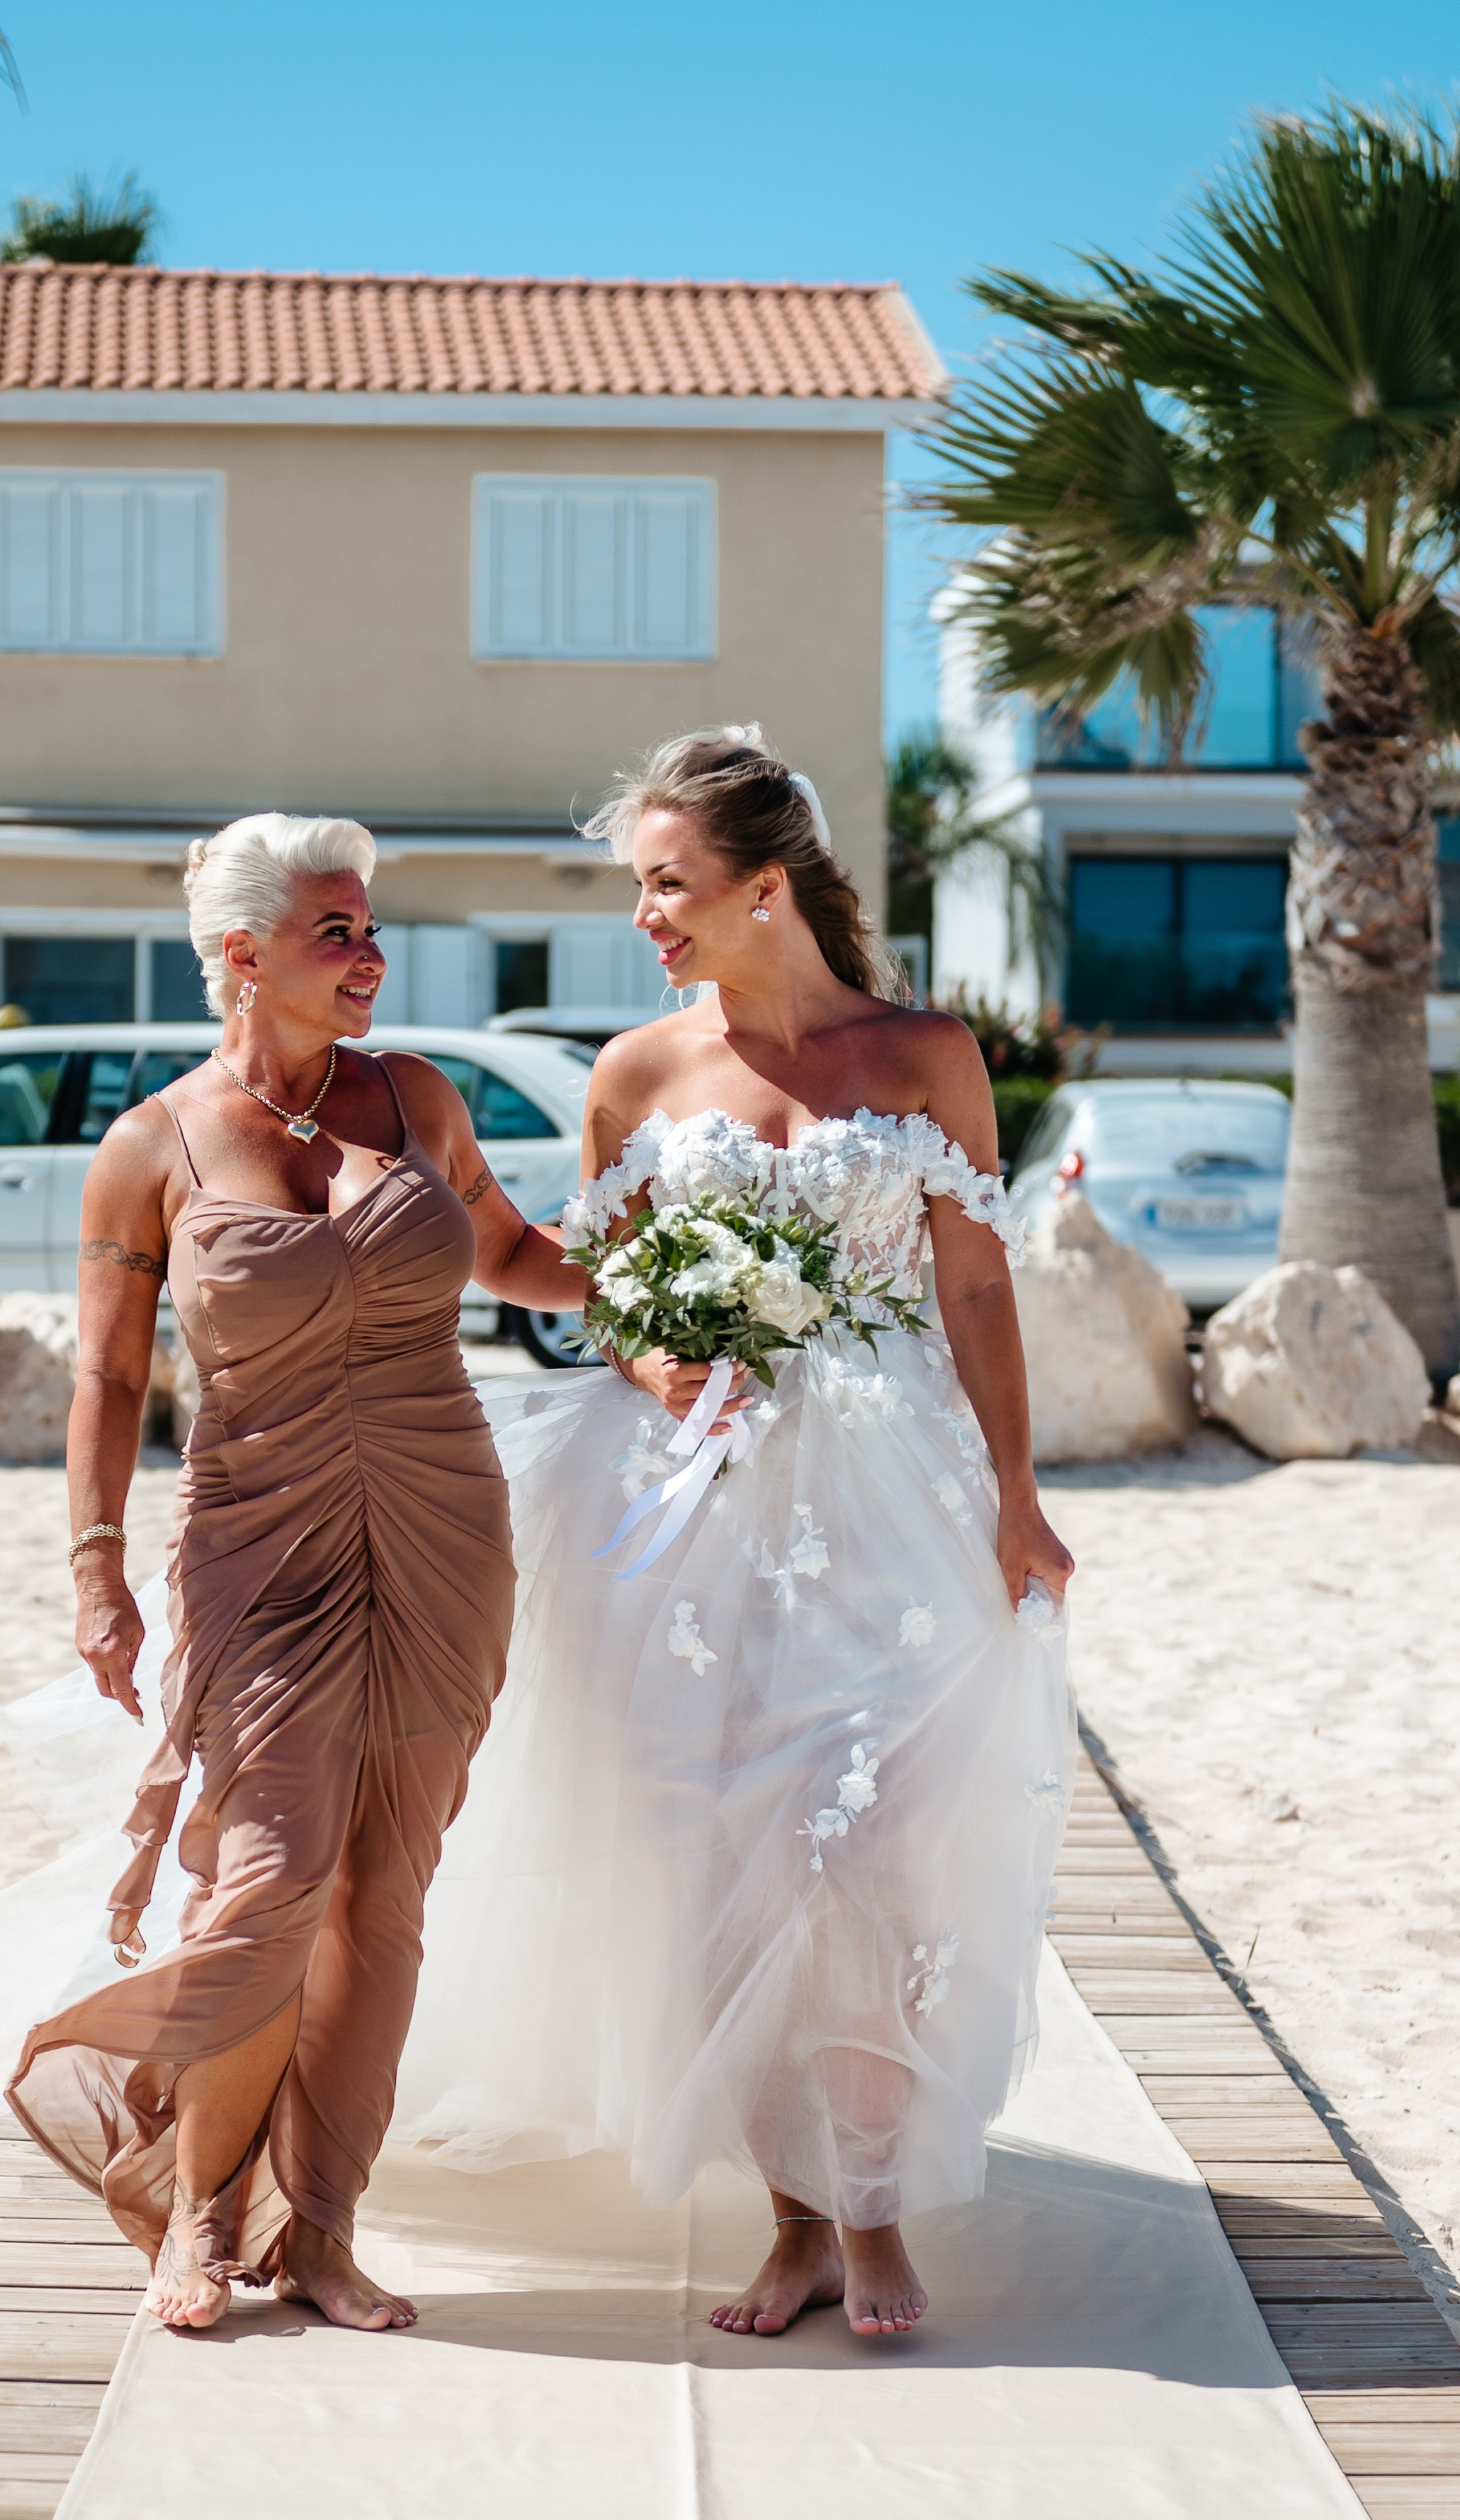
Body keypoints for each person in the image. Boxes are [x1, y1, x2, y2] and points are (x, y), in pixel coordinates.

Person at [395, 726, 1076, 2341]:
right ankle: (793, 2221)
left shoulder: (926, 1055)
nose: (644, 913)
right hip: (694, 1508)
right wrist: (654, 1353)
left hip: (893, 1503)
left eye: (665, 882)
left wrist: (1018, 1492)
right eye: (637, 884)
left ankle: (880, 2204)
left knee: (878, 1856)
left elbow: (974, 1283)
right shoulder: (634, 1074)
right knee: (731, 1853)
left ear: (764, 886)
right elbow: (605, 1283)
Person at [9, 813, 577, 2334]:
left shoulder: (415, 1097)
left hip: (442, 1522)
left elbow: (514, 1250)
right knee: (264, 1888)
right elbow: (109, 1382)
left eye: (372, 926)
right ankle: (197, 2213)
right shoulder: (150, 1147)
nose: (371, 954)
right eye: (337, 929)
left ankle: (320, 2225)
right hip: (257, 1538)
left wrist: (680, 1278)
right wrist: (95, 1569)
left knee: (383, 1898)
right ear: (242, 954)